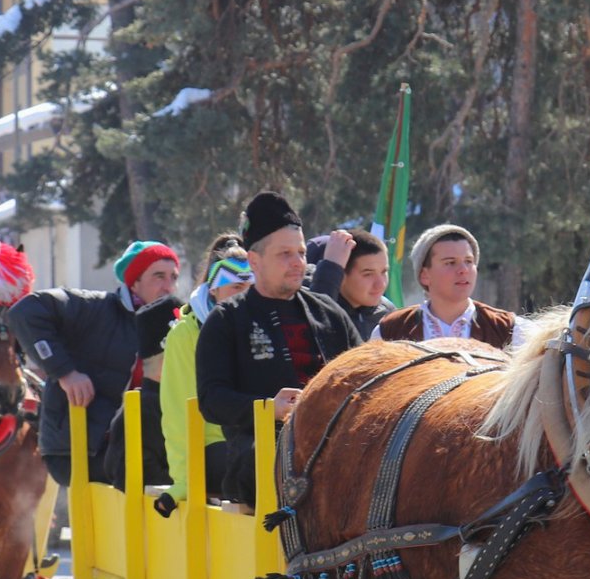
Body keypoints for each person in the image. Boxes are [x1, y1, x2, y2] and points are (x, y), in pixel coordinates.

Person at [197, 191, 360, 506]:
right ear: (254, 261)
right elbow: (211, 400)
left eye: (301, 252)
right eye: (285, 254)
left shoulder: (329, 312)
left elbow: (366, 375)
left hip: (337, 443)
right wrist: (269, 408)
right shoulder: (227, 319)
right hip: (261, 456)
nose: (298, 262)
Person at [6, 243, 182, 489]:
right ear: (134, 281)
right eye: (158, 276)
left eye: (173, 277)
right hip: (78, 451)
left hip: (137, 450)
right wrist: (65, 372)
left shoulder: (175, 326)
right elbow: (24, 312)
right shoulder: (96, 308)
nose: (168, 286)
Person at [159, 236, 252, 506]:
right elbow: (178, 413)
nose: (244, 294)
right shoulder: (186, 333)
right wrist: (185, 481)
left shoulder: (261, 324)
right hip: (212, 447)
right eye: (236, 287)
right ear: (214, 290)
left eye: (250, 286)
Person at [372, 223, 523, 349]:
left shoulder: (511, 330)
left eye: (469, 261)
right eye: (450, 262)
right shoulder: (389, 332)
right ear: (425, 275)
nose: (463, 270)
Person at [307, 229, 390, 342]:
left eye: (384, 272)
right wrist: (331, 267)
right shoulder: (303, 304)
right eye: (368, 274)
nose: (381, 284)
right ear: (340, 274)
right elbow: (315, 336)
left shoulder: (388, 315)